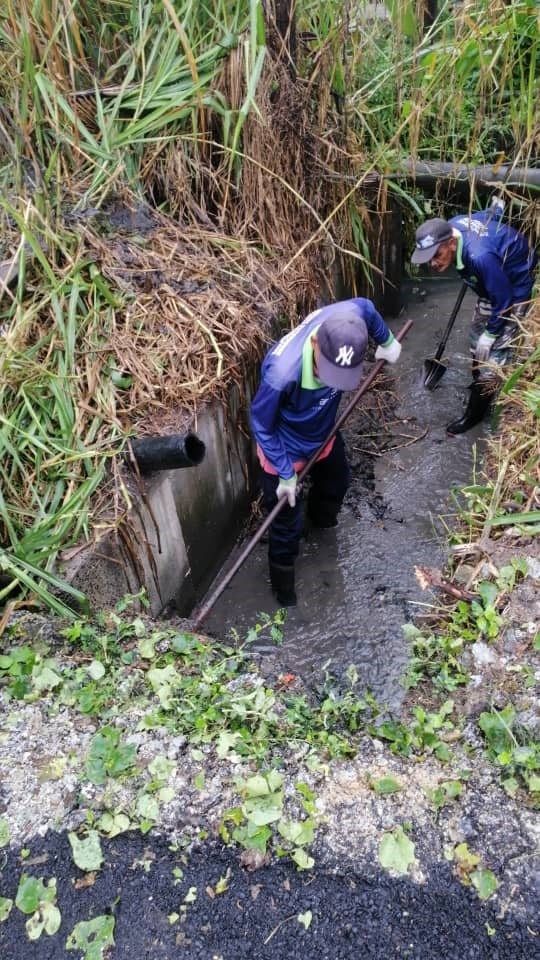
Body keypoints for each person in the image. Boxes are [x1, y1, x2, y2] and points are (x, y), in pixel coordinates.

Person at [250, 299, 401, 606]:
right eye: (326, 370)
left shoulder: (350, 318)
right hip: (285, 446)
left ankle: (322, 527)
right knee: (285, 525)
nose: (330, 381)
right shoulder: (281, 374)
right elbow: (261, 424)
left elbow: (369, 308)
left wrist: (386, 340)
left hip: (324, 432)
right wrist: (285, 472)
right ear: (316, 343)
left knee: (337, 481)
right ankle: (284, 593)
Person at [411, 203, 538, 435]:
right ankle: (478, 379)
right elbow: (486, 218)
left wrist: (491, 334)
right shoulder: (455, 225)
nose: (433, 264)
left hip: (513, 287)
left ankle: (475, 414)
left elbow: (504, 299)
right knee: (475, 344)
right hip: (491, 285)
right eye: (428, 258)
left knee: (493, 359)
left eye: (436, 256)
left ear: (451, 243)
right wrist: (495, 209)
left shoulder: (479, 256)